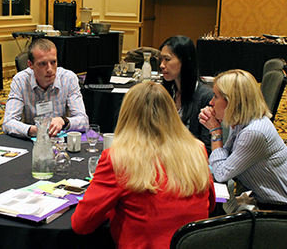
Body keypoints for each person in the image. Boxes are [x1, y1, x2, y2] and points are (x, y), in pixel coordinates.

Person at [72, 82, 215, 249]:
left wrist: (114, 209)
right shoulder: (197, 150)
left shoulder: (118, 158)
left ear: (126, 114)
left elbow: (81, 224)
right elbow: (210, 204)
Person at [199, 69, 287, 211]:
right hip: (261, 197)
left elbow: (221, 174)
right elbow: (225, 156)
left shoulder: (254, 132)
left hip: (278, 208)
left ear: (232, 101)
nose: (211, 102)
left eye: (216, 96)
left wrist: (215, 131)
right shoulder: (242, 121)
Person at [2, 38, 89, 138]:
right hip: (34, 142)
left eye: (53, 62)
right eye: (43, 64)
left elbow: (84, 121)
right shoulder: (20, 81)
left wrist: (63, 121)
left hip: (60, 142)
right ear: (31, 65)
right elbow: (8, 123)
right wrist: (32, 130)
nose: (50, 69)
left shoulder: (68, 79)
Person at [159, 35, 213, 154]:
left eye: (167, 59)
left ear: (185, 61)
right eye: (161, 59)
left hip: (189, 161)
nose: (162, 65)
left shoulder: (206, 97)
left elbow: (207, 147)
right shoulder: (165, 92)